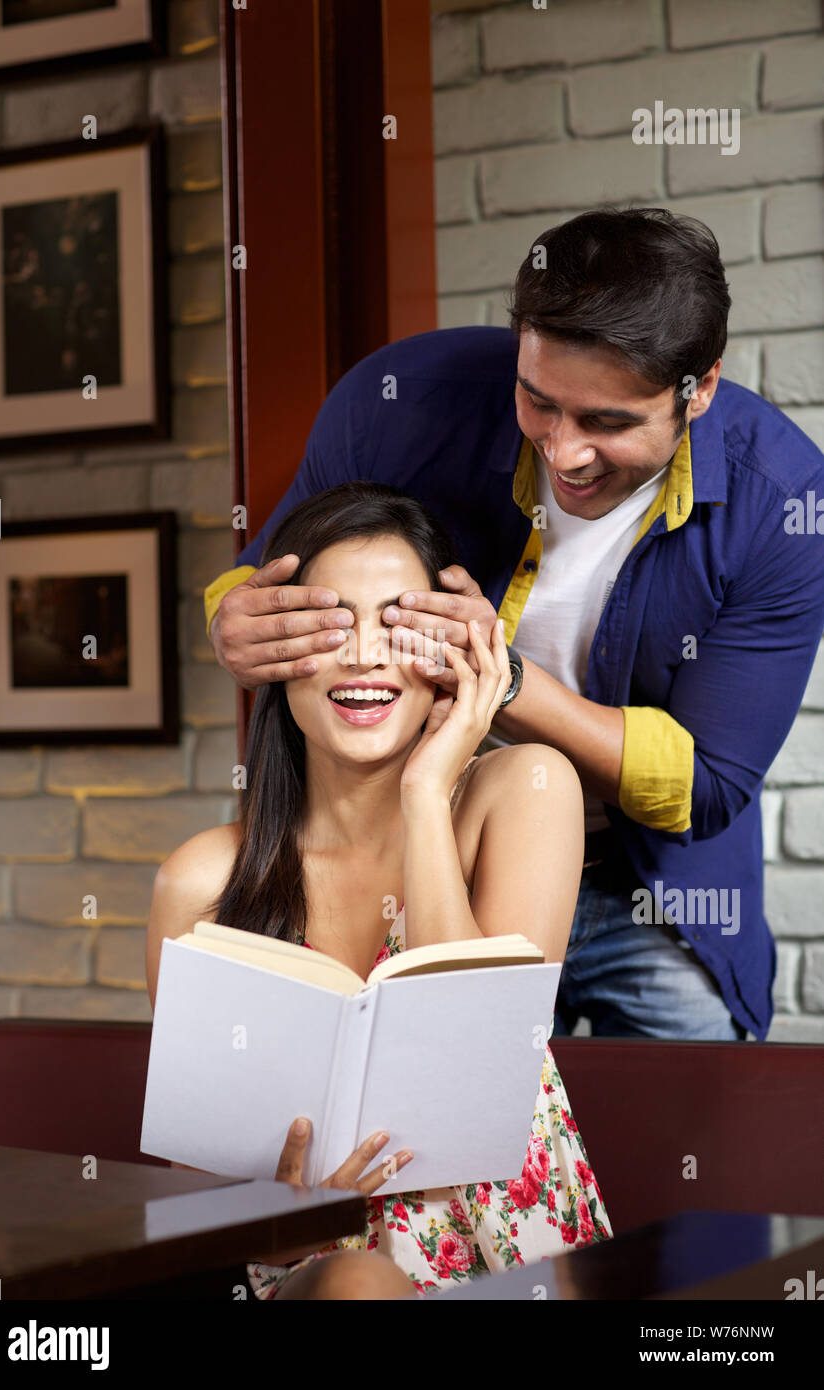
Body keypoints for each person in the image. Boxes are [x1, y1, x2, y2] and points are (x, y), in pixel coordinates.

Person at [204, 207, 824, 1045]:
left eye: (608, 423)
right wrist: (230, 620)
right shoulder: (398, 404)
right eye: (539, 402)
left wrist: (505, 682)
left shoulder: (782, 502)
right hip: (419, 849)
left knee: (683, 1145)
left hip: (646, 888)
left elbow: (704, 783)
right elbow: (260, 572)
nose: (564, 452)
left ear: (699, 388)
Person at [146, 483, 612, 1300]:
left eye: (396, 625)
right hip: (311, 1255)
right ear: (277, 654)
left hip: (518, 1249)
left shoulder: (529, 788)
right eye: (331, 627)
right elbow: (190, 1178)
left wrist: (427, 794)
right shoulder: (200, 880)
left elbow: (476, 1054)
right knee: (360, 1283)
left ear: (451, 649)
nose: (363, 656)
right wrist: (280, 1206)